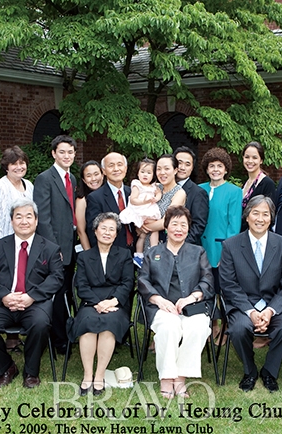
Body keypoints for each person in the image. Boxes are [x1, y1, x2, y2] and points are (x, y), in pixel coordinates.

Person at [0, 198, 63, 389]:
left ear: (36, 220)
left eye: (28, 216)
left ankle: (31, 372)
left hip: (34, 302)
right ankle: (6, 367)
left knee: (40, 324)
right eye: (19, 217)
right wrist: (5, 296)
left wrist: (31, 296)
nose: (24, 221)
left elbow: (56, 278)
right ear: (12, 221)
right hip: (1, 302)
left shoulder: (50, 248)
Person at [219, 196, 282, 393]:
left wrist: (270, 311)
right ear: (247, 216)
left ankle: (269, 371)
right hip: (243, 304)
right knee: (238, 329)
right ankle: (250, 371)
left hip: (274, 304)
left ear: (271, 219)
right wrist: (250, 311)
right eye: (255, 213)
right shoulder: (230, 245)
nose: (260, 219)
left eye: (265, 214)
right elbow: (228, 284)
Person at [138, 206, 214, 398]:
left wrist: (192, 297)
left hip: (192, 306)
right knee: (169, 327)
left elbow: (207, 279)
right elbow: (143, 280)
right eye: (174, 224)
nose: (179, 229)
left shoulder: (198, 252)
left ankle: (180, 377)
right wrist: (158, 299)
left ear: (188, 228)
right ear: (166, 227)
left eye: (183, 225)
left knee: (198, 327)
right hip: (161, 307)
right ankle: (166, 377)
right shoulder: (153, 252)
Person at [70, 213, 134, 396]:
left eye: (111, 229)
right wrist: (98, 303)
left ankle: (99, 375)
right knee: (87, 324)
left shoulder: (124, 255)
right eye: (103, 228)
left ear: (116, 234)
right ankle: (87, 374)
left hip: (116, 303)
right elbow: (81, 285)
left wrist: (112, 301)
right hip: (91, 303)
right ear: (95, 231)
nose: (107, 232)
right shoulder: (84, 257)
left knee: (109, 325)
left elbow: (128, 283)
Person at [34, 135, 78, 355]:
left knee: (67, 292)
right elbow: (42, 218)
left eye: (70, 152)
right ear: (53, 153)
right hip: (54, 249)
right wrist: (54, 250)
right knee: (57, 294)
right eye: (62, 152)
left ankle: (66, 333)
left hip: (71, 246)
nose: (66, 156)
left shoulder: (73, 179)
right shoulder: (44, 179)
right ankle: (58, 340)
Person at [199, 147, 242, 291]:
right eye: (211, 166)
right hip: (199, 247)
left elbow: (234, 226)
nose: (215, 169)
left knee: (219, 290)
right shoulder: (199, 189)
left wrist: (226, 253)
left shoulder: (234, 191)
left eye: (219, 166)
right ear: (207, 169)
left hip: (219, 249)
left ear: (225, 169)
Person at [0, 146, 34, 245]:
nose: (19, 167)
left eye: (22, 163)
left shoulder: (29, 186)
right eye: (14, 164)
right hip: (4, 246)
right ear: (6, 167)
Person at [85, 152, 134, 249]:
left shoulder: (133, 193)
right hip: (112, 252)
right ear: (104, 171)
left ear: (125, 168)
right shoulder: (95, 198)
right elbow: (93, 231)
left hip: (136, 251)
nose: (116, 169)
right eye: (111, 165)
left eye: (119, 164)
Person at [119, 158, 162, 266]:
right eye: (142, 171)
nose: (145, 175)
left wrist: (156, 198)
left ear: (153, 175)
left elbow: (159, 193)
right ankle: (138, 255)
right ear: (138, 173)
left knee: (149, 232)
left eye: (149, 172)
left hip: (149, 210)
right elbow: (133, 200)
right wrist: (144, 201)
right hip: (139, 210)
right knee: (144, 234)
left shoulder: (154, 186)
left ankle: (153, 249)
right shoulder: (137, 185)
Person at [140, 154, 187, 251]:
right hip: (146, 242)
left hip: (165, 246)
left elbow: (165, 222)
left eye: (166, 169)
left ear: (175, 170)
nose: (162, 172)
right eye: (159, 169)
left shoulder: (179, 193)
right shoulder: (155, 188)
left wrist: (142, 226)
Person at [174, 146, 209, 246]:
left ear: (192, 168)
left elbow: (198, 225)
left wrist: (180, 245)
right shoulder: (162, 188)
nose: (182, 167)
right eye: (179, 162)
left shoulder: (198, 193)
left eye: (187, 164)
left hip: (185, 247)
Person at [240, 142, 276, 231]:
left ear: (261, 160)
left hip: (258, 233)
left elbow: (270, 216)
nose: (250, 161)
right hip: (244, 233)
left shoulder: (267, 184)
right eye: (247, 157)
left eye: (254, 157)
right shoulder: (246, 184)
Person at [75, 161, 104, 251]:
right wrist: (89, 253)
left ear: (102, 175)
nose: (93, 179)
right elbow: (81, 231)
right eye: (88, 176)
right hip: (93, 247)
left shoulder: (109, 194)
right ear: (84, 180)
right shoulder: (82, 200)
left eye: (96, 174)